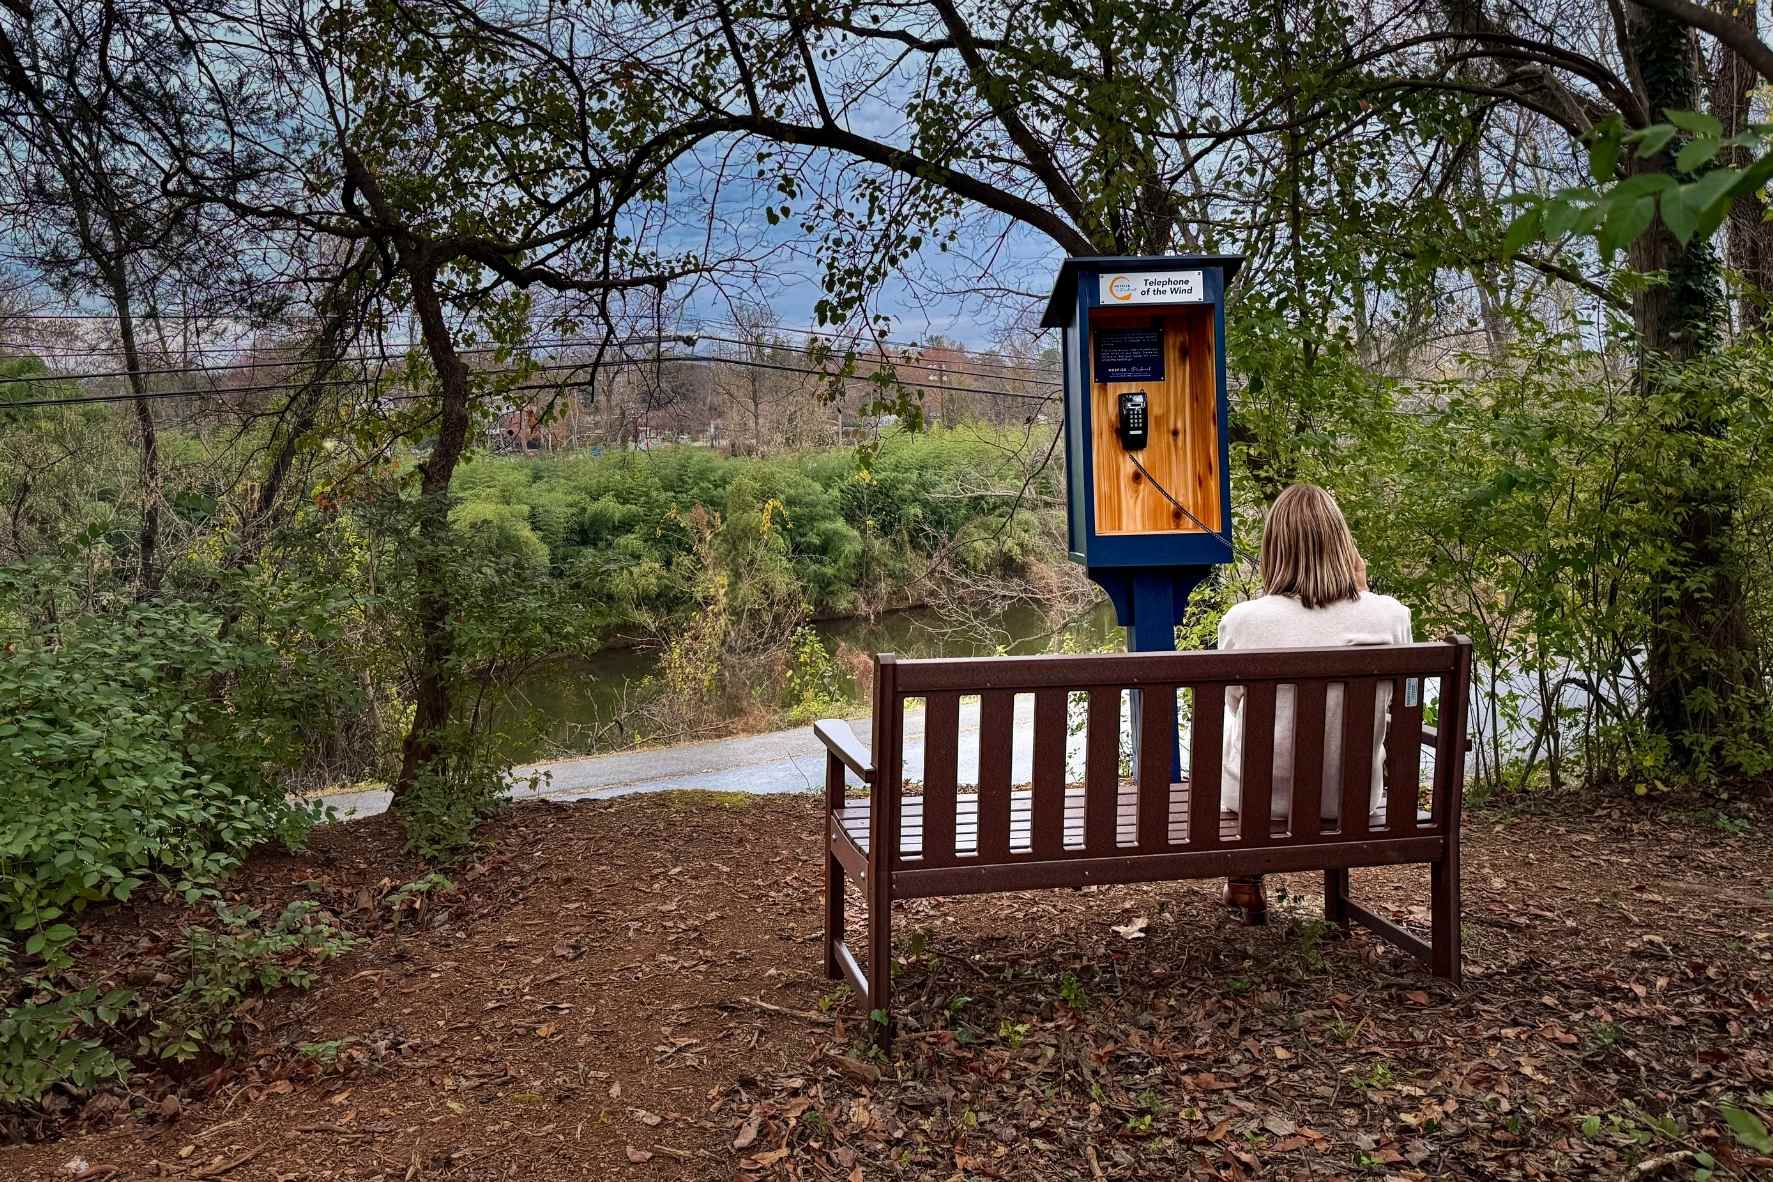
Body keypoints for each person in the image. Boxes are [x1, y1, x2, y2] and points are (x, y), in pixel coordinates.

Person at [1215, 483, 1412, 923]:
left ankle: (1245, 876)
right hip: (1353, 799)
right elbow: (1402, 702)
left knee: (1244, 736)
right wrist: (1365, 595)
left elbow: (1230, 703)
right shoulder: (1391, 617)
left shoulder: (1245, 622)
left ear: (1275, 549)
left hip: (1259, 803)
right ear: (1344, 544)